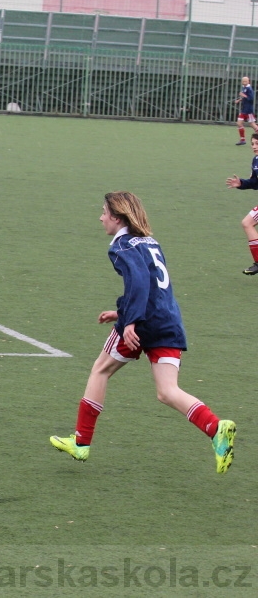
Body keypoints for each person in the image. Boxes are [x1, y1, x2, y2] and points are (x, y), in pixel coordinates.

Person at [50, 192, 235, 474]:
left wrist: (130, 322)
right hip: (167, 321)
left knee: (100, 370)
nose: (101, 218)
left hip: (143, 323)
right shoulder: (150, 241)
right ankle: (215, 427)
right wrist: (122, 312)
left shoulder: (122, 247)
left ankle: (81, 442)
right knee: (167, 391)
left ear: (117, 217)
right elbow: (152, 286)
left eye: (103, 212)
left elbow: (138, 282)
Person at [225, 132, 258, 274]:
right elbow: (255, 183)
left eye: (257, 144)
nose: (254, 147)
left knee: (247, 223)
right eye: (252, 144)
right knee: (247, 223)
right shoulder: (256, 160)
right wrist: (241, 183)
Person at [235, 76, 258, 145]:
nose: (244, 82)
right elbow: (245, 97)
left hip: (248, 110)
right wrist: (239, 100)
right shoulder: (244, 88)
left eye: (245, 81)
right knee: (239, 123)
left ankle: (243, 140)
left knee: (252, 124)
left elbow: (251, 99)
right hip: (244, 109)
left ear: (249, 81)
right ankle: (242, 140)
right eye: (243, 81)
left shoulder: (249, 89)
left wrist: (243, 95)